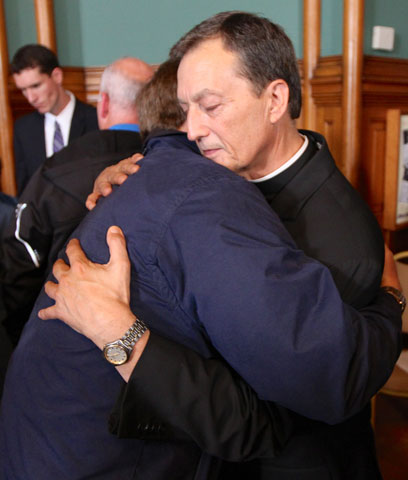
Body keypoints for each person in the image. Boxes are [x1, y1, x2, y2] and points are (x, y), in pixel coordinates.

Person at [0, 16, 402, 480]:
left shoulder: (341, 239)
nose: (191, 129)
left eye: (209, 106)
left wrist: (390, 304)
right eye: (186, 108)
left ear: (275, 99)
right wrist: (133, 173)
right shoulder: (216, 167)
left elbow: (279, 411)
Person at [0, 57, 153, 346]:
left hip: (63, 331)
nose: (31, 97)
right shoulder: (178, 165)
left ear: (103, 103)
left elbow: (19, 266)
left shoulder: (54, 173)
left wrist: (23, 335)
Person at [11, 44, 98, 194]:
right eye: (24, 90)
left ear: (57, 76)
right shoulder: (23, 129)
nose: (31, 98)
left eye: (36, 86)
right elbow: (25, 193)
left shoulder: (95, 120)